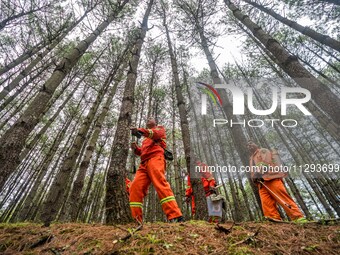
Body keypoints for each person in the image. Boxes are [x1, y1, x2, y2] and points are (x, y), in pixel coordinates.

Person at [129, 117, 183, 223]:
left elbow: (155, 134)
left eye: (151, 118)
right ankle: (136, 219)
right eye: (147, 119)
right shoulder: (145, 140)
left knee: (160, 182)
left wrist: (140, 130)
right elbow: (142, 152)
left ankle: (175, 216)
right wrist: (136, 149)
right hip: (143, 164)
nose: (148, 119)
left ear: (155, 122)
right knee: (135, 187)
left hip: (156, 159)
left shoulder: (159, 129)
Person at [247, 140, 307, 223]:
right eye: (248, 145)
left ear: (256, 144)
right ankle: (273, 220)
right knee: (266, 203)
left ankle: (298, 217)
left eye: (251, 143)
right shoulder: (251, 159)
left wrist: (259, 172)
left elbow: (266, 161)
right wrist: (255, 179)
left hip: (272, 178)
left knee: (283, 198)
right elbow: (252, 172)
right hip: (261, 184)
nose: (249, 145)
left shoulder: (263, 151)